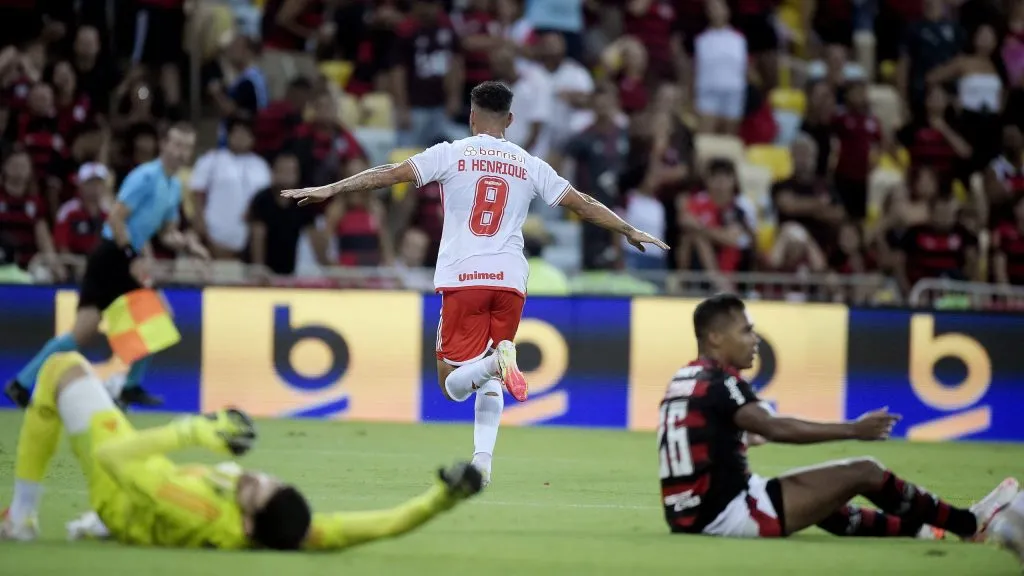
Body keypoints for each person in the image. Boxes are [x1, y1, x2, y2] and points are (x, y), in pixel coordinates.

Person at [282, 81, 668, 485]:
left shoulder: (451, 153)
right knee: (489, 379)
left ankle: (493, 363)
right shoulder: (528, 163)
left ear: (471, 116)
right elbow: (582, 204)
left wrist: (331, 188)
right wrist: (628, 229)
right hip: (511, 283)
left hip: (464, 278)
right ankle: (482, 463)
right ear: (511, 120)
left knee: (452, 385)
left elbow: (387, 174)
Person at [1, 352, 484, 549]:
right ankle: (99, 522)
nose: (260, 479)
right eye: (273, 483)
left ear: (248, 524)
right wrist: (444, 497)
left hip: (122, 481)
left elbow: (113, 459)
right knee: (85, 384)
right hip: (150, 479)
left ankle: (22, 517)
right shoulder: (292, 528)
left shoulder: (200, 511)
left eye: (257, 491)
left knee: (62, 367)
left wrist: (194, 430)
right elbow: (382, 525)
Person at [658, 293, 1020, 542]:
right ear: (716, 337)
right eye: (747, 330)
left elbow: (706, 433)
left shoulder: (686, 378)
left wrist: (741, 436)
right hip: (725, 514)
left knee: (828, 503)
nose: (755, 339)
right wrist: (853, 429)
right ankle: (970, 523)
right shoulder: (722, 382)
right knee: (864, 472)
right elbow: (773, 427)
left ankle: (922, 530)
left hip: (689, 512)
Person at [5, 124, 209, 410]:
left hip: (125, 258)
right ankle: (127, 387)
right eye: (176, 144)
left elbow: (166, 231)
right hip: (112, 256)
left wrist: (189, 245)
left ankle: (22, 383)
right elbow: (115, 217)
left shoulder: (174, 186)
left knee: (95, 330)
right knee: (140, 320)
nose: (180, 152)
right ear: (163, 144)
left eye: (186, 147)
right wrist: (132, 256)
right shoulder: (145, 177)